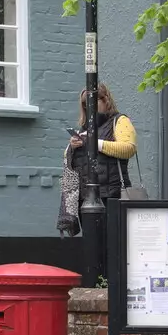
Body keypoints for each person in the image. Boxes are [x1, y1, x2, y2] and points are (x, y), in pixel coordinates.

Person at [57, 84, 137, 238]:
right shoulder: (84, 128)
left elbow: (128, 148)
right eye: (85, 104)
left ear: (105, 100)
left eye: (93, 102)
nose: (89, 107)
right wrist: (72, 147)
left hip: (112, 196)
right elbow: (71, 162)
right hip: (86, 197)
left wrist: (94, 143)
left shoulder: (120, 121)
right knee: (92, 244)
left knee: (113, 242)